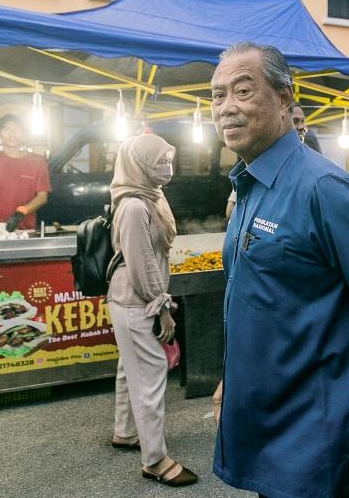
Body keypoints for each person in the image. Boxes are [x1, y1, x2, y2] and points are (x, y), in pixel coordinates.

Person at [210, 43, 349, 498]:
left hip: (313, 429)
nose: (227, 107)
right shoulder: (251, 185)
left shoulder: (326, 189)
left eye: (243, 91)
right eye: (217, 95)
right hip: (263, 411)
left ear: (286, 100)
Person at [107, 133, 197, 487]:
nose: (168, 169)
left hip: (130, 298)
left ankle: (126, 432)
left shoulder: (149, 195)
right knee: (150, 373)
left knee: (129, 369)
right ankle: (155, 459)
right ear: (140, 165)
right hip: (136, 299)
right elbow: (142, 263)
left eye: (169, 161)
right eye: (159, 162)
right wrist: (162, 307)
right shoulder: (134, 206)